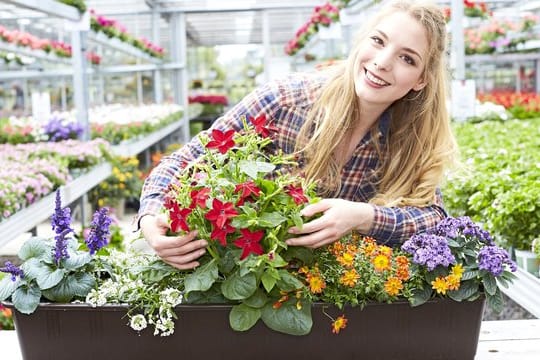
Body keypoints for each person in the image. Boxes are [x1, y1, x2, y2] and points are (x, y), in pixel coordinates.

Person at [138, 0, 457, 270]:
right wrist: (150, 218)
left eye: (407, 58)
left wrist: (362, 216)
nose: (383, 62)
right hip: (256, 279)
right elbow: (184, 162)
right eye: (378, 41)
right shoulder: (286, 100)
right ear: (361, 42)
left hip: (339, 299)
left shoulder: (409, 136)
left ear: (421, 80)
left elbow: (435, 218)